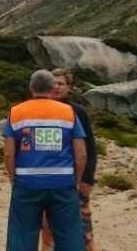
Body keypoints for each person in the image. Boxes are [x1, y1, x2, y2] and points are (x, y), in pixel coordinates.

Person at [4, 70, 87, 251]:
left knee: (22, 235)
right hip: (63, 184)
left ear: (31, 87)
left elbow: (9, 154)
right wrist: (76, 181)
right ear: (51, 87)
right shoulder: (69, 113)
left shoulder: (16, 113)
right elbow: (81, 154)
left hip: (26, 185)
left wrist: (13, 180)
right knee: (69, 235)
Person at [41, 69, 98, 251]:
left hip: (75, 179)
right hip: (47, 180)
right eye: (53, 83)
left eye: (61, 83)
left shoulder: (78, 112)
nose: (56, 87)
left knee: (83, 228)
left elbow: (90, 148)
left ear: (69, 87)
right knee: (48, 228)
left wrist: (87, 178)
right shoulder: (39, 109)